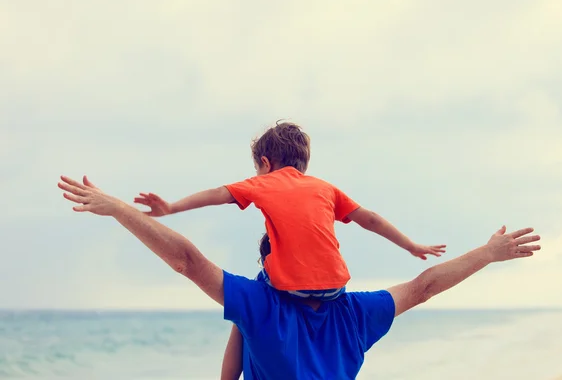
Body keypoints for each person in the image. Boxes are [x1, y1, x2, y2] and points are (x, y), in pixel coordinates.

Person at [58, 175, 541, 380]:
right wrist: (487, 252)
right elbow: (424, 285)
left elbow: (187, 259)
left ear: (266, 264)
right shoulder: (356, 313)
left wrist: (120, 209)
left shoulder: (258, 305)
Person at [132, 121, 445, 302]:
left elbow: (217, 194)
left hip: (291, 290)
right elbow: (371, 220)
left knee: (259, 273)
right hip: (335, 289)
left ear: (265, 164)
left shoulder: (262, 183)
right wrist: (411, 246)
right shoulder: (326, 188)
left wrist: (171, 207)